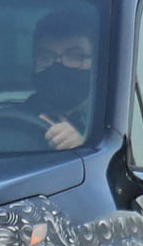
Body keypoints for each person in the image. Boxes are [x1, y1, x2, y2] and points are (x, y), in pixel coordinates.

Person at [23, 8, 96, 149]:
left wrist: (82, 148)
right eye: (45, 57)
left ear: (95, 63)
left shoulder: (113, 123)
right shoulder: (10, 120)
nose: (57, 66)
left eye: (74, 56)